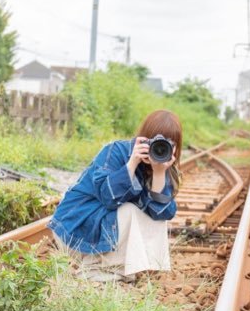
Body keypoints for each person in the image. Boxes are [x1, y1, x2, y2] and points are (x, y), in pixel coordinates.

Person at [47, 109, 182, 282]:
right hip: (75, 232)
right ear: (145, 138)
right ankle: (92, 269)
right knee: (128, 209)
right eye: (156, 141)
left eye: (168, 144)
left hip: (100, 235)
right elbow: (108, 197)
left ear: (176, 147)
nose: (160, 148)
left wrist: (158, 173)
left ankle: (115, 268)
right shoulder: (116, 151)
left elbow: (163, 213)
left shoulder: (163, 168)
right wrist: (132, 162)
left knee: (152, 215)